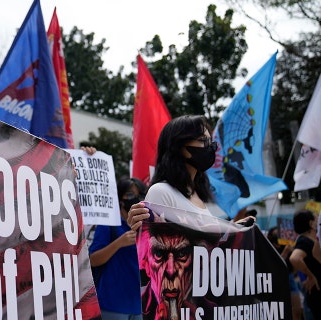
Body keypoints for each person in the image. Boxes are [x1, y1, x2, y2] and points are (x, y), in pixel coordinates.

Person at [127, 115, 255, 230]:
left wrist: (235, 228)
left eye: (210, 141)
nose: (210, 147)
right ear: (178, 146)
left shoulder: (196, 194)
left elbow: (205, 244)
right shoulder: (161, 192)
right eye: (203, 140)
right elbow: (159, 248)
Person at [89, 177, 146, 320]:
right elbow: (93, 260)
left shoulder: (146, 228)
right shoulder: (109, 224)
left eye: (139, 195)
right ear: (120, 199)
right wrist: (119, 242)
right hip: (112, 305)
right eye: (130, 195)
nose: (135, 199)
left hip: (140, 306)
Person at [289, 209, 321, 319]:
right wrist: (311, 276)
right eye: (316, 219)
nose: (318, 222)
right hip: (316, 293)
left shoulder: (310, 240)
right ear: (311, 224)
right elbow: (295, 258)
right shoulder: (304, 241)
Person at [267, 226, 303, 320]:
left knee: (297, 309)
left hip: (289, 277)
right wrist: (286, 252)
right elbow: (276, 265)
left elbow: (293, 265)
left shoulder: (288, 244)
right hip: (276, 280)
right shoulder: (270, 249)